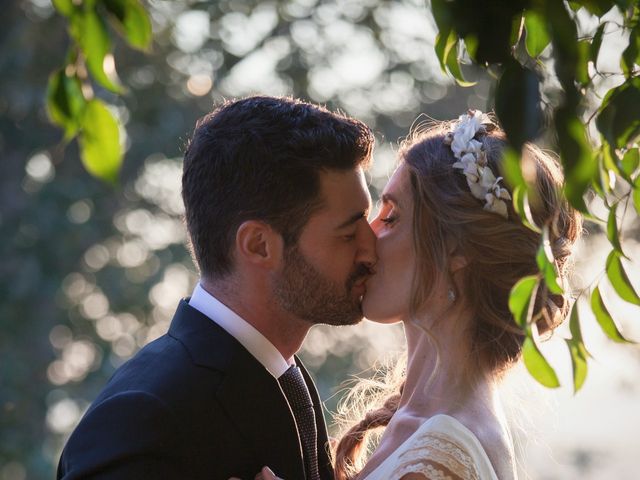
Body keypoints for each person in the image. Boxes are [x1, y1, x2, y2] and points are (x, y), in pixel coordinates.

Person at [57, 96, 378, 479]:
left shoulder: (284, 376)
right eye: (348, 233)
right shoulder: (146, 418)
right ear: (259, 245)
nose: (371, 250)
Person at [259, 110, 582, 480]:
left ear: (457, 250)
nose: (368, 235)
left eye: (392, 216)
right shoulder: (423, 422)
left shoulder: (443, 456)